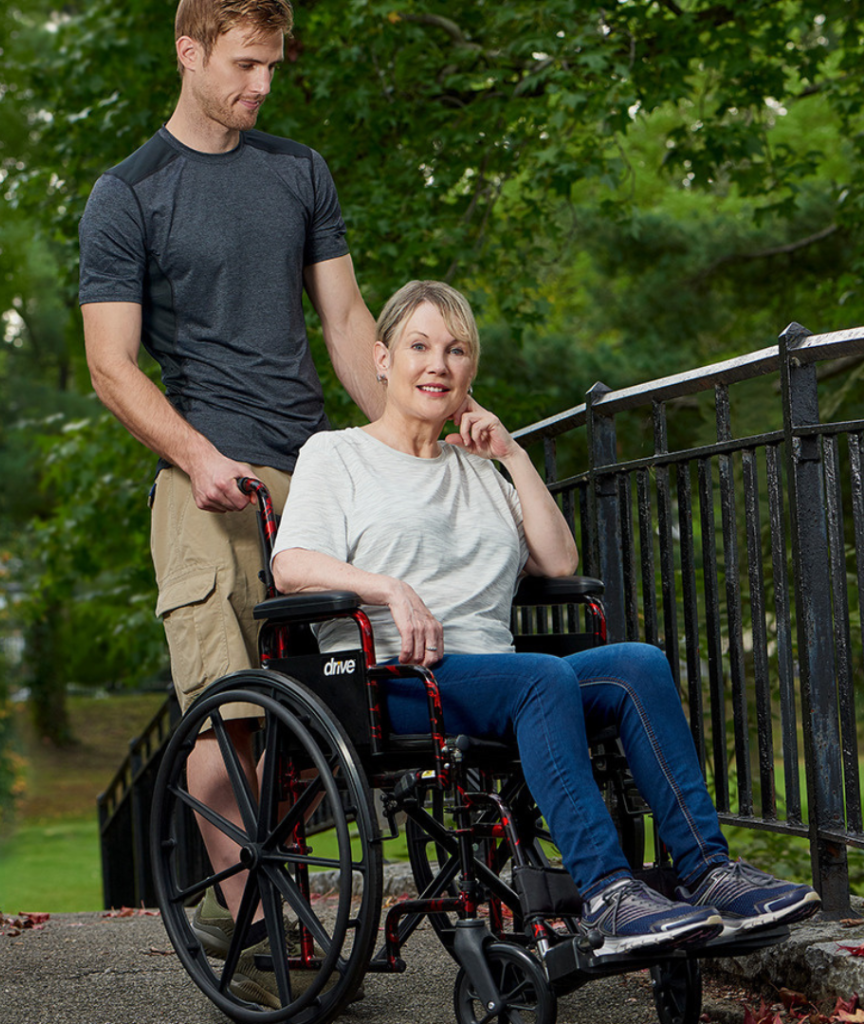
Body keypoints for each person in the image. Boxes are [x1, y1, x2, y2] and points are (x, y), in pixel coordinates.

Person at [271, 279, 821, 956]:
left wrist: (513, 455)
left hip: (500, 678)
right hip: (395, 679)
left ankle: (708, 872)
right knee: (542, 679)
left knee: (636, 666)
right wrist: (386, 587)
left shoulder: (480, 470)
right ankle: (609, 896)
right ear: (382, 358)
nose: (437, 364)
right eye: (419, 346)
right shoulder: (337, 456)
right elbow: (291, 564)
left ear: (471, 371)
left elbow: (559, 561)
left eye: (456, 350)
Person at [77, 0, 382, 998]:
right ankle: (242, 924)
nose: (261, 84)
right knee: (227, 713)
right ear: (189, 49)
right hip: (208, 487)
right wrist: (199, 454)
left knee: (334, 709)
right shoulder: (129, 194)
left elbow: (344, 325)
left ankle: (271, 909)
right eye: (245, 64)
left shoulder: (298, 172)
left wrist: (415, 438)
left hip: (319, 485)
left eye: (273, 66)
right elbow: (112, 367)